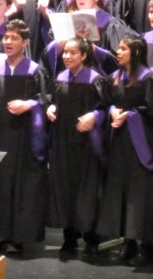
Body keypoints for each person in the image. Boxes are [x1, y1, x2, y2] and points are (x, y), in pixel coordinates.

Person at [0, 20, 50, 256]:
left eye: (14, 38)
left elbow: (45, 100)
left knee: (23, 185)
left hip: (25, 138)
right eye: (6, 37)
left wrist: (29, 104)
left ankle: (20, 237)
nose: (8, 42)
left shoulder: (35, 71)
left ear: (25, 42)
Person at [96, 36, 153, 267]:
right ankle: (128, 242)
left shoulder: (150, 78)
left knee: (141, 196)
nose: (118, 52)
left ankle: (146, 246)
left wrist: (130, 115)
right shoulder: (115, 78)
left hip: (142, 144)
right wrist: (112, 110)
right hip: (119, 143)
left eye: (123, 48)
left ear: (136, 52)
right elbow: (107, 102)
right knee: (122, 193)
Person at [45, 37, 108, 259]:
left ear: (83, 55)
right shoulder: (59, 78)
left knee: (87, 189)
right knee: (65, 188)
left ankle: (91, 237)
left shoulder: (95, 79)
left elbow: (105, 107)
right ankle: (69, 237)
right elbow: (51, 99)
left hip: (87, 144)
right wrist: (51, 107)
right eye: (65, 52)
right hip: (63, 141)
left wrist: (94, 115)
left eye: (72, 53)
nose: (67, 56)